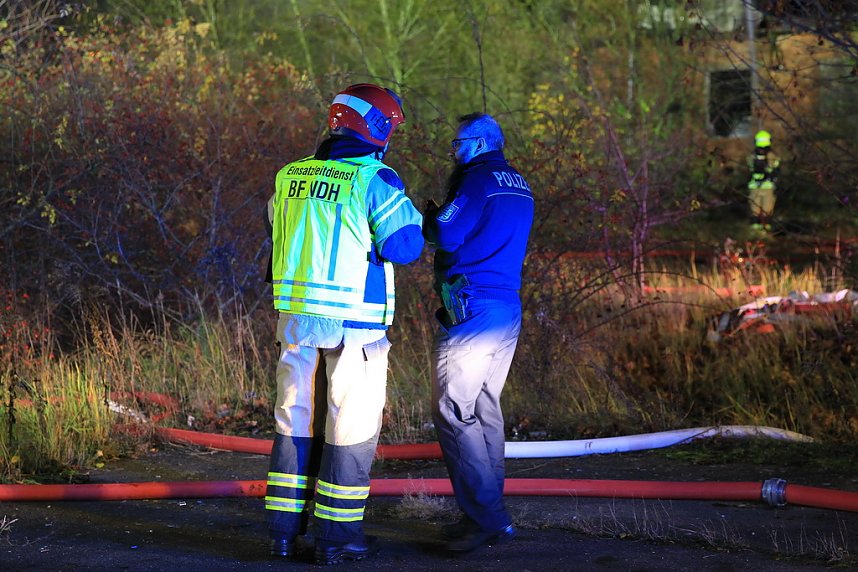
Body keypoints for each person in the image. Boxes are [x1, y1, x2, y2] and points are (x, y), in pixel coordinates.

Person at [263, 83, 424, 565]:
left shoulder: (289, 176)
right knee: (350, 428)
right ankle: (338, 538)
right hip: (355, 328)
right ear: (376, 127)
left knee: (293, 422)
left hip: (295, 324)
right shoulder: (376, 179)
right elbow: (405, 246)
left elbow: (278, 230)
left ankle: (283, 534)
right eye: (389, 128)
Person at [422, 113, 534, 554]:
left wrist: (430, 216)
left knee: (453, 409)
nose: (453, 151)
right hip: (507, 307)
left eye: (457, 143)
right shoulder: (518, 183)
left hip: (474, 309)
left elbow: (446, 232)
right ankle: (491, 514)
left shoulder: (478, 179)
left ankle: (487, 518)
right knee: (485, 407)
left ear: (480, 142)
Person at [747, 129, 780, 230]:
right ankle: (765, 230)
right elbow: (776, 170)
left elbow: (748, 170)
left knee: (755, 210)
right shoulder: (773, 157)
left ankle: (756, 230)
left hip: (754, 187)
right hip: (768, 186)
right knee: (767, 210)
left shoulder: (750, 157)